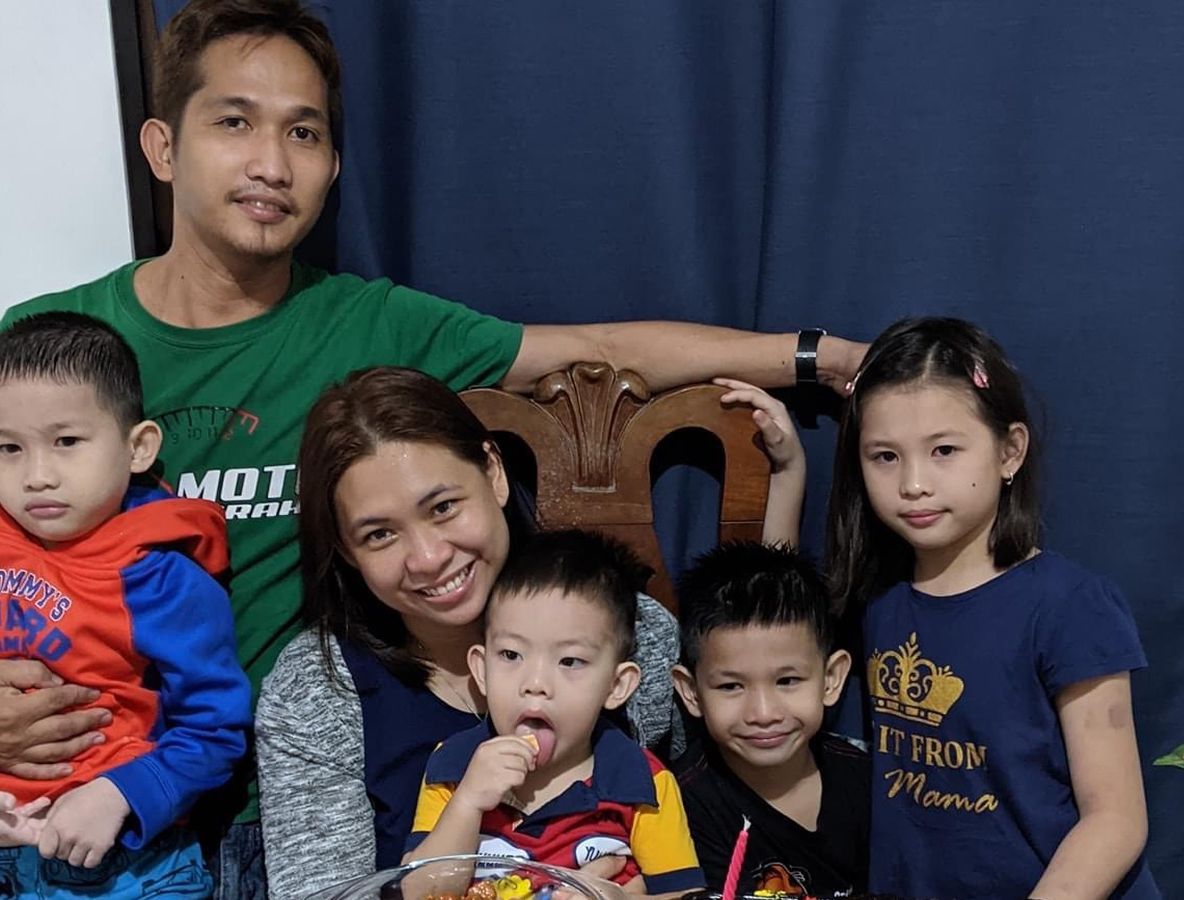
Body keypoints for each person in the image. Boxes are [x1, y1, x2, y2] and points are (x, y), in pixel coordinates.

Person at [0, 1, 863, 893]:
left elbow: (600, 348)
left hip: (283, 800)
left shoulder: (370, 325)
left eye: (303, 132)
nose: (271, 164)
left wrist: (825, 358)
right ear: (162, 148)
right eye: (233, 122)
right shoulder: (46, 354)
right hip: (103, 795)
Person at [255, 366, 802, 898]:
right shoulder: (319, 691)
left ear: (493, 472)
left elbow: (727, 808)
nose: (427, 557)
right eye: (379, 535)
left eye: (443, 507)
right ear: (347, 552)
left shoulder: (636, 632)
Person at [825, 317, 1159, 899]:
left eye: (944, 450)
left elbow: (1116, 819)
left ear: (1010, 451)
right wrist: (786, 469)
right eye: (885, 456)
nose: (913, 483)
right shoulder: (879, 599)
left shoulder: (1070, 606)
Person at [0, 313, 251, 896]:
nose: (37, 476)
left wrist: (121, 795)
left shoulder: (161, 578)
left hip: (125, 861)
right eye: (8, 447)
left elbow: (217, 729)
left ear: (138, 447)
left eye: (67, 442)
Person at [404, 529, 705, 897]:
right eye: (511, 655)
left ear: (616, 685)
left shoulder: (643, 783)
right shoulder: (453, 766)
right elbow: (416, 892)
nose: (535, 683)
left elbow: (683, 893)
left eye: (569, 661)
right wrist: (467, 803)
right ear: (481, 671)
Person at [670, 542, 868, 898]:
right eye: (731, 686)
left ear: (831, 678)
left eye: (787, 681)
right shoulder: (681, 805)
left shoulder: (866, 780)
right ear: (692, 692)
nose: (763, 714)